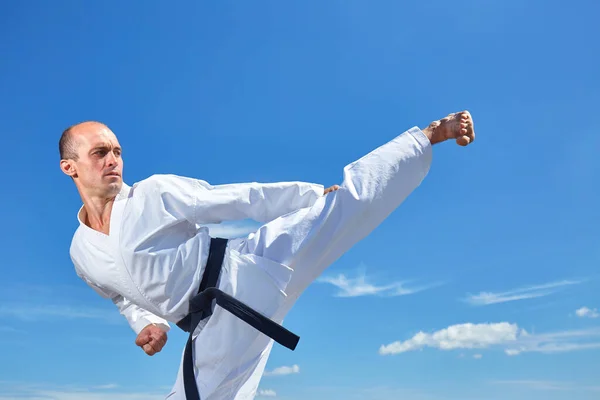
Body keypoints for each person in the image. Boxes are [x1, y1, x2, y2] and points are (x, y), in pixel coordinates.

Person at [60, 111, 475, 399]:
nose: (113, 159)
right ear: (70, 167)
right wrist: (149, 322)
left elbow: (234, 199)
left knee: (341, 206)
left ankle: (426, 136)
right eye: (100, 152)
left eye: (117, 151)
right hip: (211, 326)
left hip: (246, 267)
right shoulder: (82, 253)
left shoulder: (152, 194)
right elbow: (118, 293)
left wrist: (308, 195)